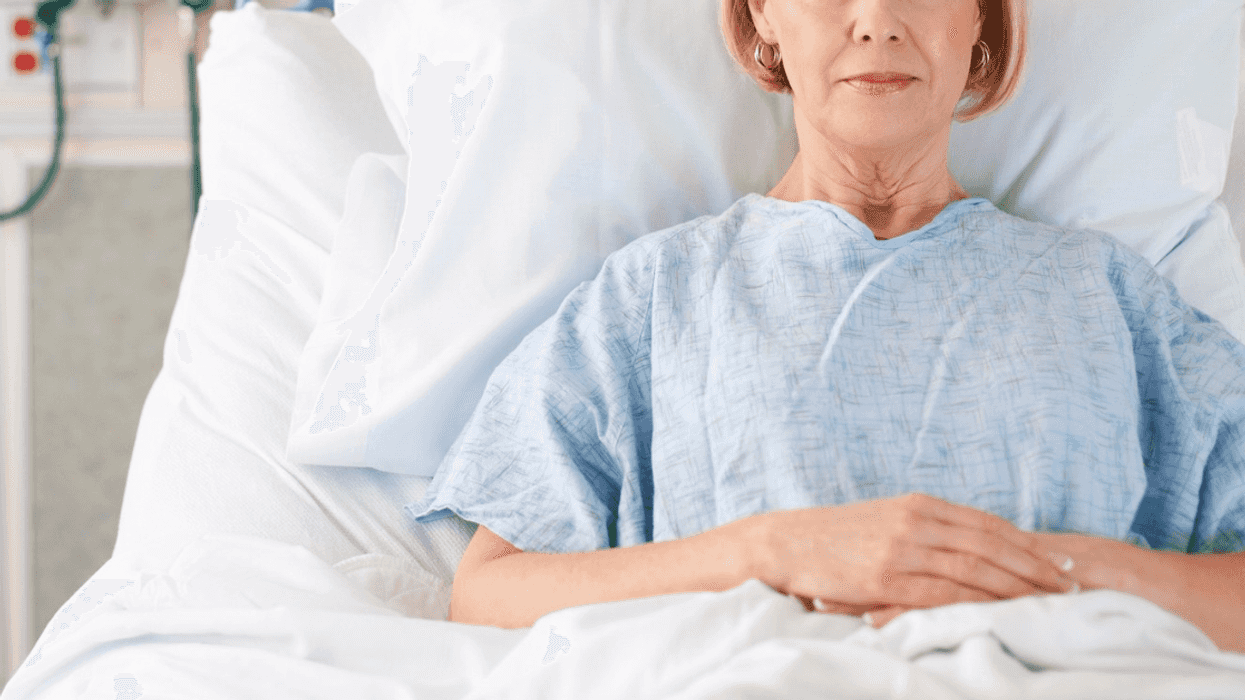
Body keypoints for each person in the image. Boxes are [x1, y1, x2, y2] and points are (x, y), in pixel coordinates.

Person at [407, 0, 1245, 652]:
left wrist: (1055, 573)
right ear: (762, 15)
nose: (877, 21)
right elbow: (486, 596)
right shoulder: (654, 296)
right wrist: (768, 553)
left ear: (979, 22)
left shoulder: (1102, 294)